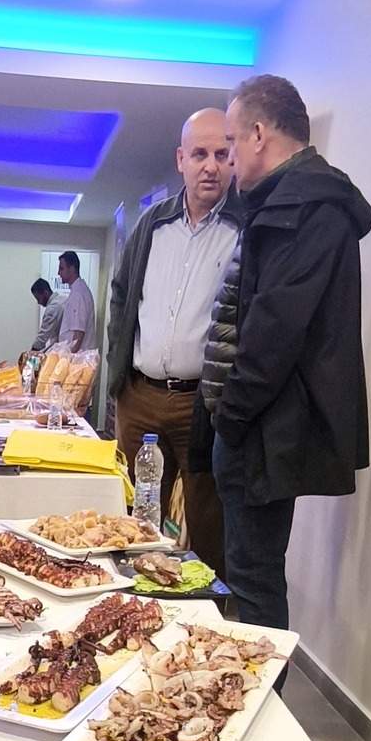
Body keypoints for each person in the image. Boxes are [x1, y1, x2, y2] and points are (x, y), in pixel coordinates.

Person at [212, 75, 371, 629]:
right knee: (250, 575)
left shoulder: (304, 207)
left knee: (253, 582)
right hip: (262, 426)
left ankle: (254, 687)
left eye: (231, 143)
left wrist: (230, 418)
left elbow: (272, 334)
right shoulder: (292, 201)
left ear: (259, 134)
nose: (229, 159)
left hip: (264, 428)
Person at [106, 108, 240, 570]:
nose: (211, 166)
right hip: (139, 396)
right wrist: (118, 375)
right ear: (181, 159)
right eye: (200, 154)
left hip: (201, 404)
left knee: (206, 521)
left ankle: (201, 608)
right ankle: (125, 600)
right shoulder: (151, 224)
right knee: (130, 518)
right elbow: (122, 295)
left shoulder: (244, 229)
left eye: (222, 154)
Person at [55, 249, 95, 350]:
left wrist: (69, 356)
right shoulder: (77, 291)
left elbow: (78, 334)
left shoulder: (78, 294)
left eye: (61, 268)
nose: (58, 273)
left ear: (72, 269)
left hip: (77, 356)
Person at [29, 276, 66, 354]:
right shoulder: (64, 299)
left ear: (45, 293)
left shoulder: (53, 308)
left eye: (38, 298)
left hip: (62, 348)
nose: (38, 302)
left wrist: (31, 354)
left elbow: (43, 336)